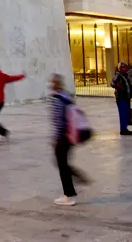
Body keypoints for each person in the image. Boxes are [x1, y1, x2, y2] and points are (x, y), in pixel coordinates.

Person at [50, 73, 89, 206]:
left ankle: (67, 195)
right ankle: (74, 182)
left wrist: (57, 138)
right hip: (72, 135)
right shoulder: (66, 96)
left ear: (54, 84)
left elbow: (58, 120)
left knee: (62, 165)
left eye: (51, 83)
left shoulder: (56, 99)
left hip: (63, 137)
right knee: (63, 164)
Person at [111, 62, 132, 135]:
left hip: (127, 98)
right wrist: (119, 87)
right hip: (121, 98)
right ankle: (123, 129)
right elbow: (112, 83)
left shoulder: (127, 75)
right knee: (123, 114)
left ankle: (125, 128)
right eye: (122, 67)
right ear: (119, 68)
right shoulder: (118, 75)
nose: (124, 68)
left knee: (126, 113)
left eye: (125, 67)